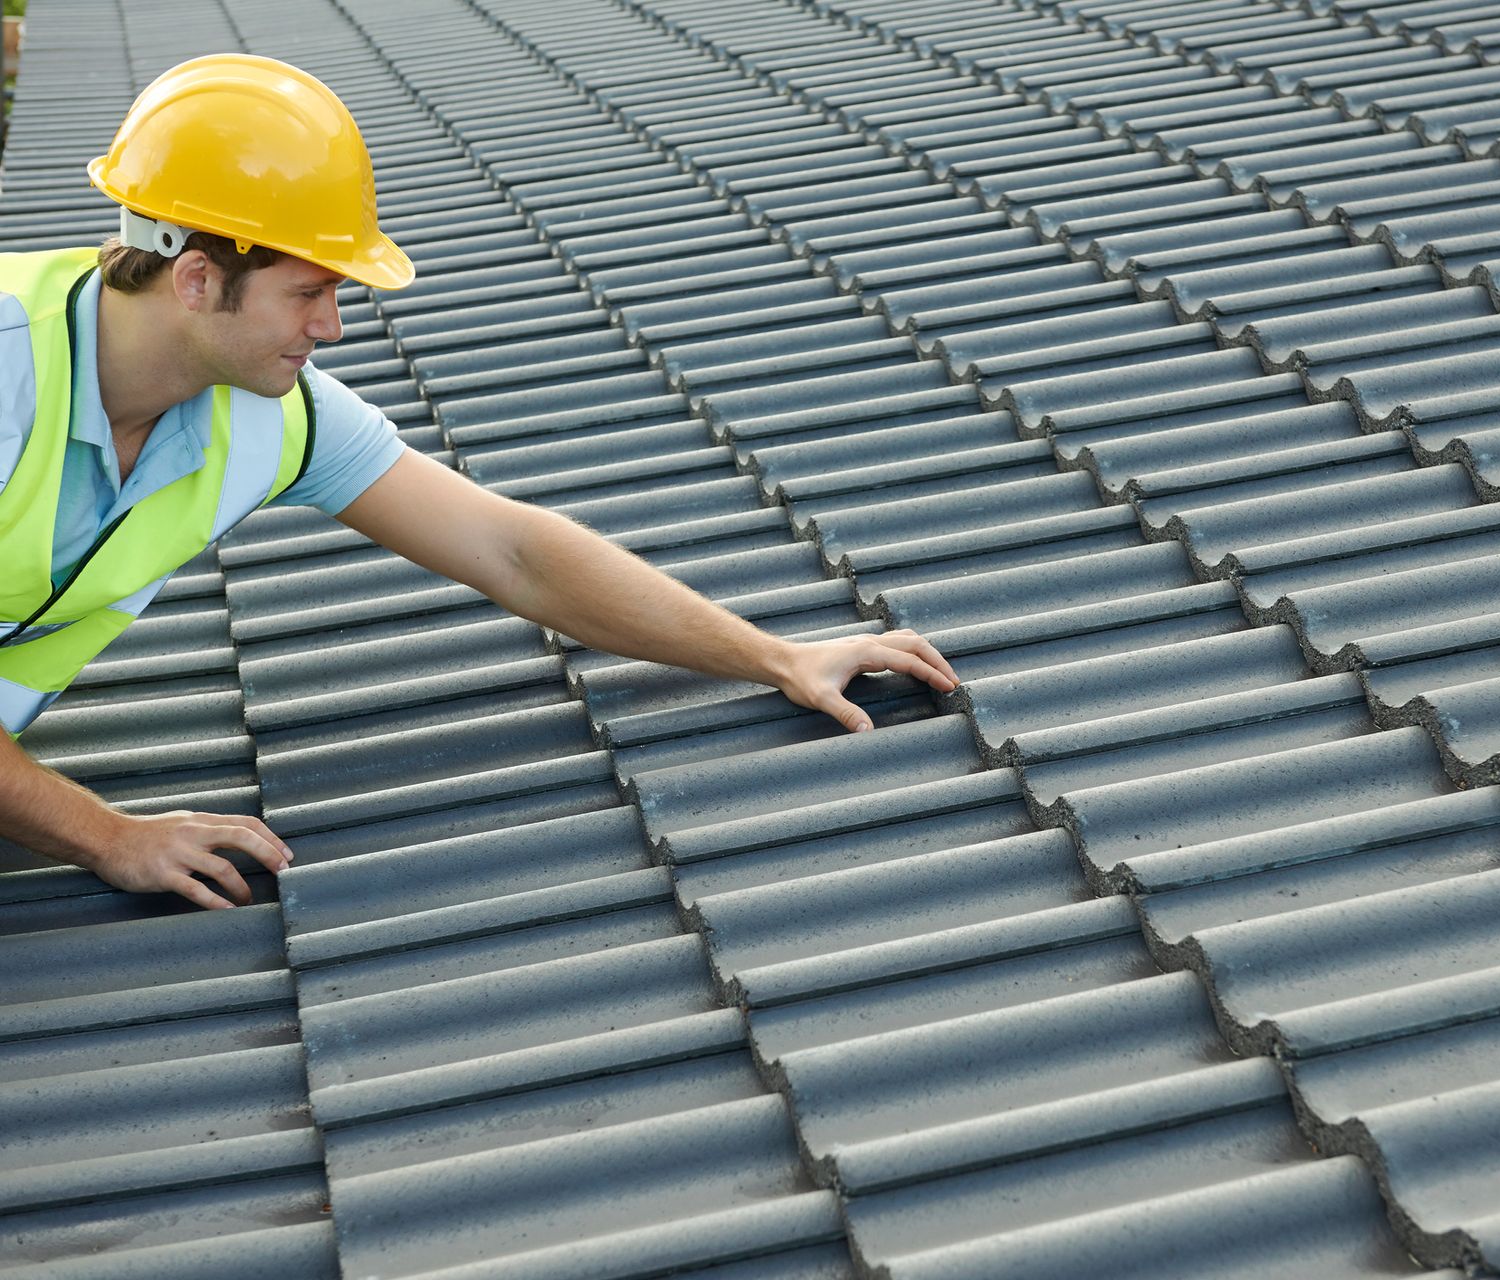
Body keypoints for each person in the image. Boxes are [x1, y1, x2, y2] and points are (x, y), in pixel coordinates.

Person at [0, 54, 959, 912]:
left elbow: (515, 550)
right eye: (309, 291)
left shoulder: (272, 418)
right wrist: (109, 838)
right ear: (199, 280)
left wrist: (775, 657)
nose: (332, 328)